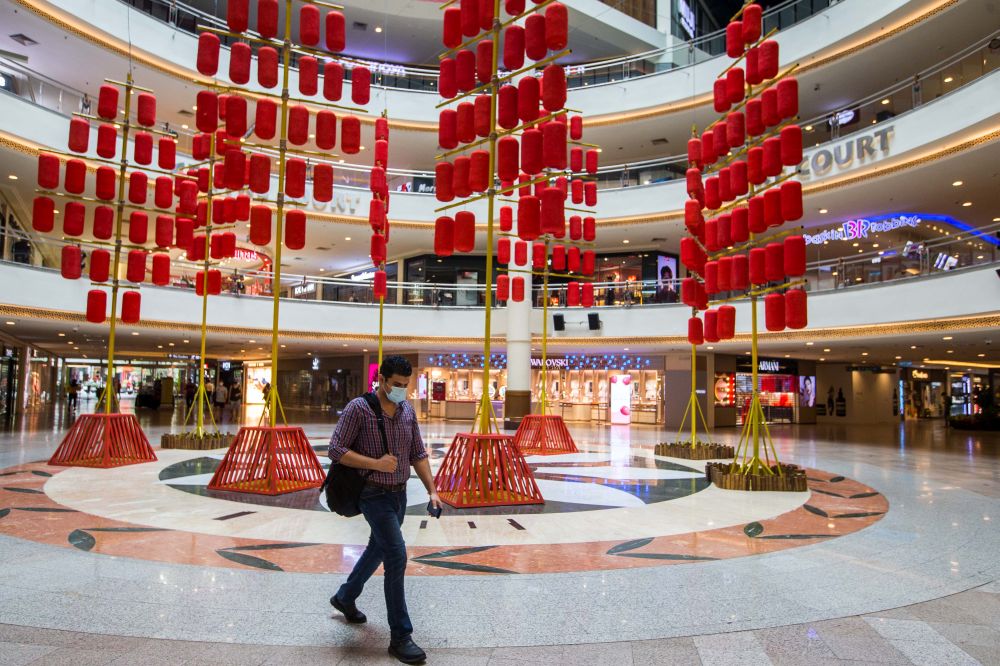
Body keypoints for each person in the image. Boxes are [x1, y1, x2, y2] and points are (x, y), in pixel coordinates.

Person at [328, 355, 440, 664]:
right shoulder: (359, 409)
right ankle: (400, 636)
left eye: (406, 385)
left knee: (378, 548)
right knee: (396, 555)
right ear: (382, 381)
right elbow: (336, 449)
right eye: (397, 384)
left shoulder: (407, 410)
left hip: (398, 495)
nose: (402, 390)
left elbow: (417, 453)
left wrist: (432, 490)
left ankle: (345, 597)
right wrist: (376, 464)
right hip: (372, 493)